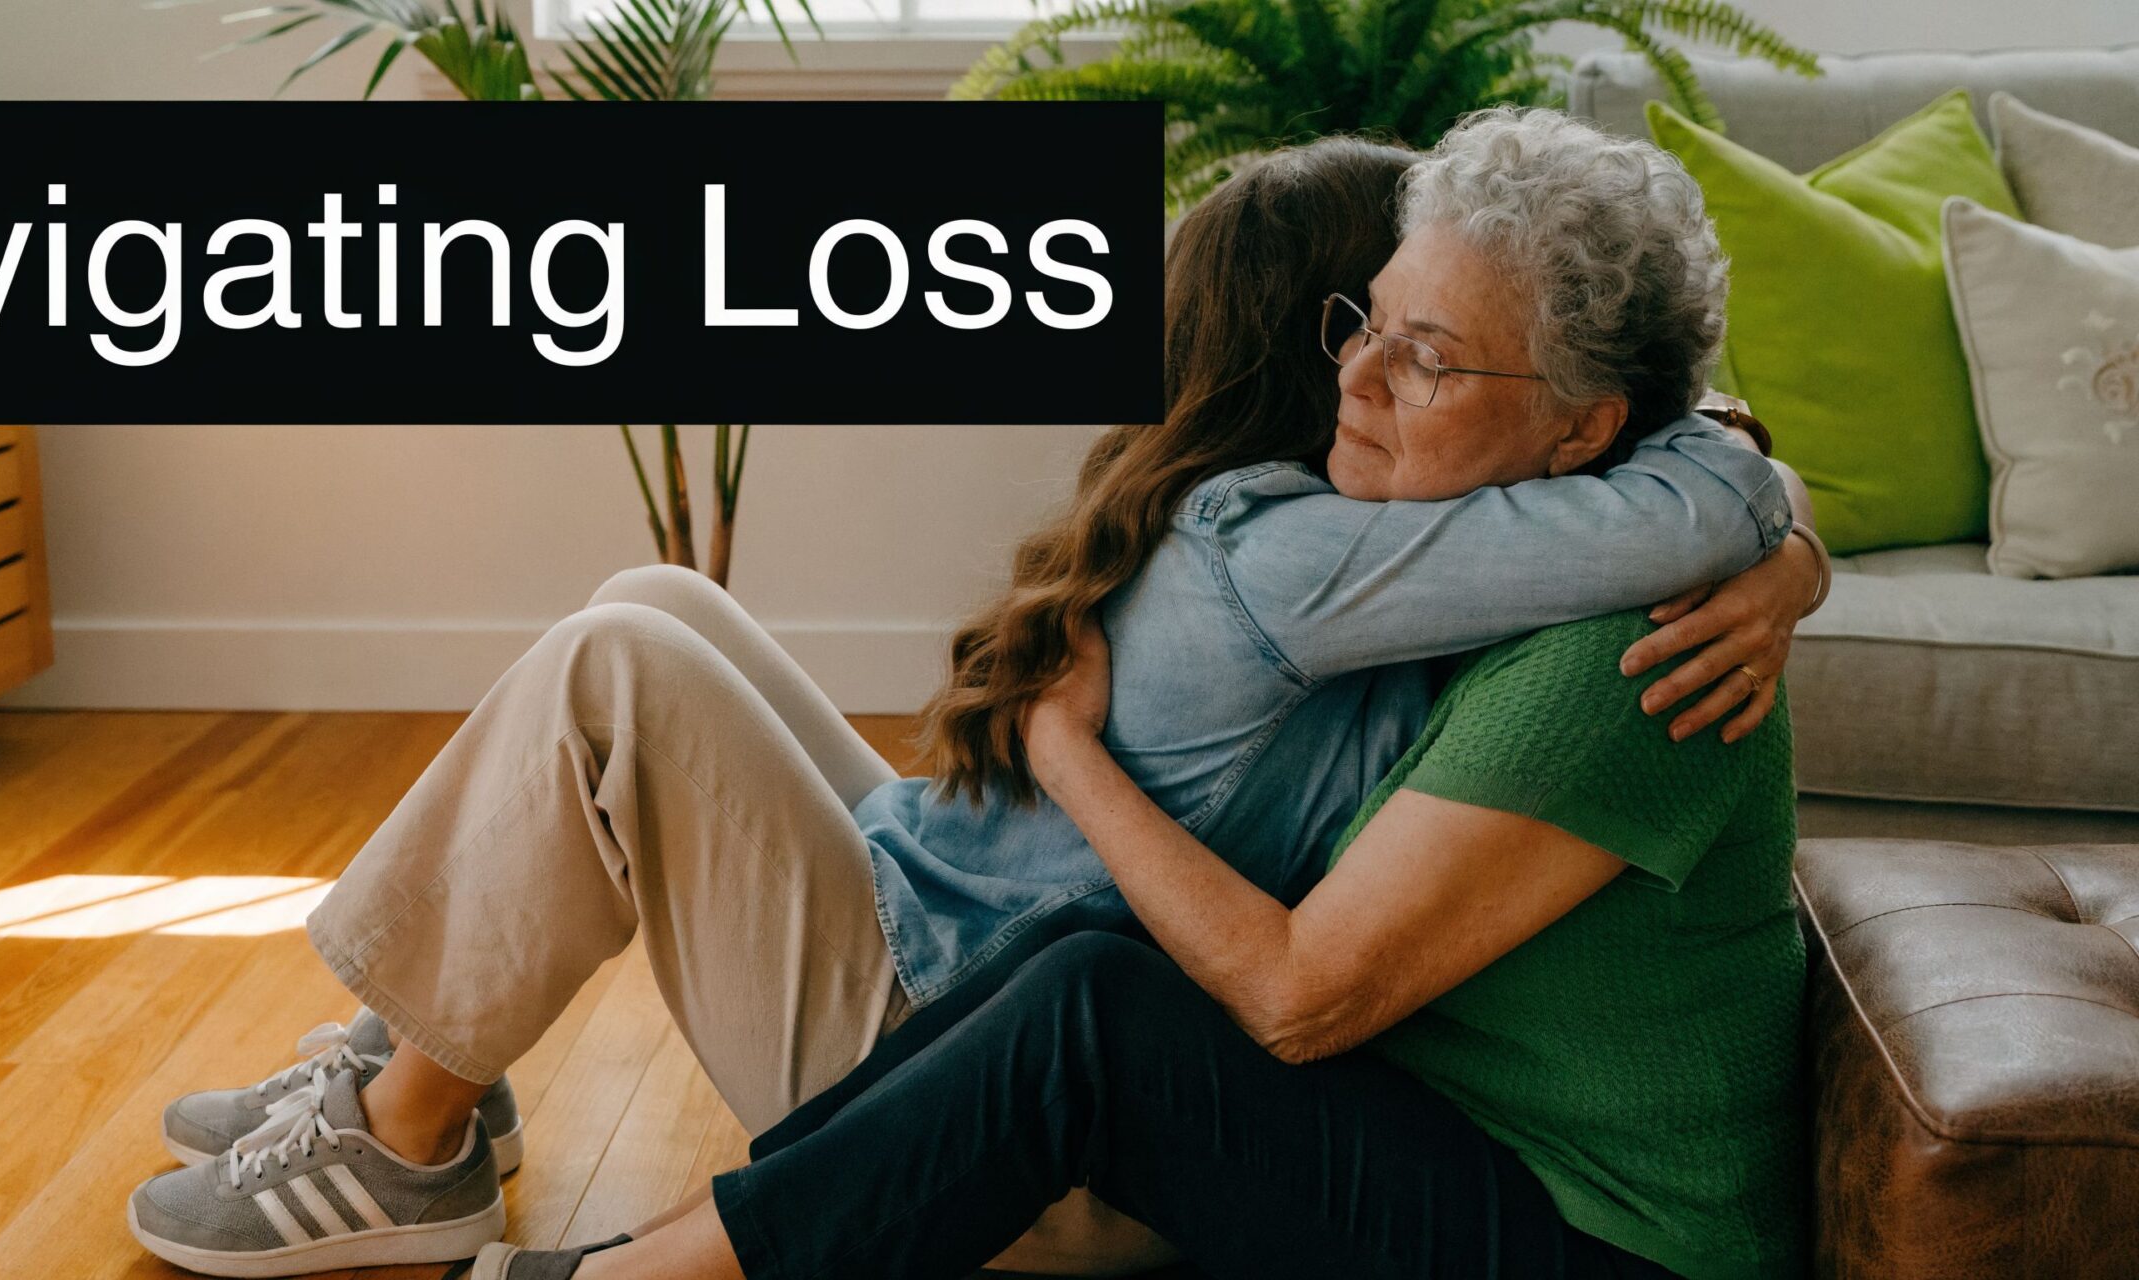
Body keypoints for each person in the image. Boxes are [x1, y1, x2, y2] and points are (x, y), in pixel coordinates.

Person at [126, 111, 1829, 1279]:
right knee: (658, 603)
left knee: (622, 667)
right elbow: (1673, 458)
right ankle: (430, 1053)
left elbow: (1307, 999)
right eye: (1355, 328)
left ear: (1585, 432)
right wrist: (1771, 514)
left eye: (1423, 356)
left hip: (1038, 1038)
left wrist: (1773, 527)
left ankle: (413, 1128)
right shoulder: (1415, 533)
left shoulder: (1519, 610)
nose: (1363, 386)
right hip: (996, 960)